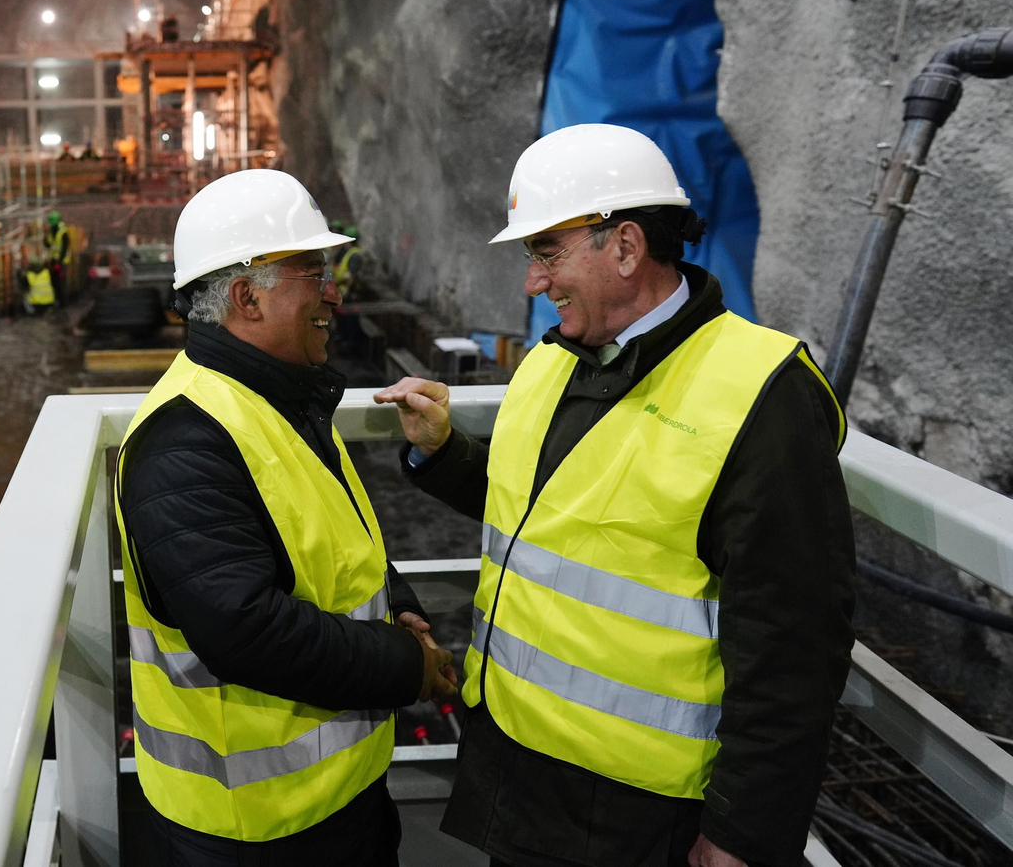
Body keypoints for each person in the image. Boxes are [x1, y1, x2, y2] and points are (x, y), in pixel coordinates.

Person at [375, 123, 853, 867]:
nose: (534, 281)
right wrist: (441, 453)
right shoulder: (557, 362)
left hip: (638, 810)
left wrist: (741, 834)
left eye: (545, 253)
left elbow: (794, 649)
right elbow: (546, 517)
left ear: (626, 247)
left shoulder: (762, 396)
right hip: (519, 765)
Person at [117, 169, 454, 867]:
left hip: (337, 801)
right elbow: (248, 632)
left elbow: (335, 536)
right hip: (252, 830)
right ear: (246, 296)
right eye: (313, 271)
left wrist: (400, 606)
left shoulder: (276, 401)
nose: (334, 291)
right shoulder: (187, 440)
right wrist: (406, 666)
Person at [43, 210, 71, 308]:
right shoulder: (51, 231)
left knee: (61, 283)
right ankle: (57, 301)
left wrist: (60, 261)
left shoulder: (63, 232)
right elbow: (47, 244)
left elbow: (64, 247)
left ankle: (64, 304)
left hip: (62, 261)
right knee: (54, 282)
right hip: (53, 260)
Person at [332, 226, 364, 302]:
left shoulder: (354, 254)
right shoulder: (349, 252)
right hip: (341, 288)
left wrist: (347, 291)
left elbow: (353, 276)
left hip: (348, 292)